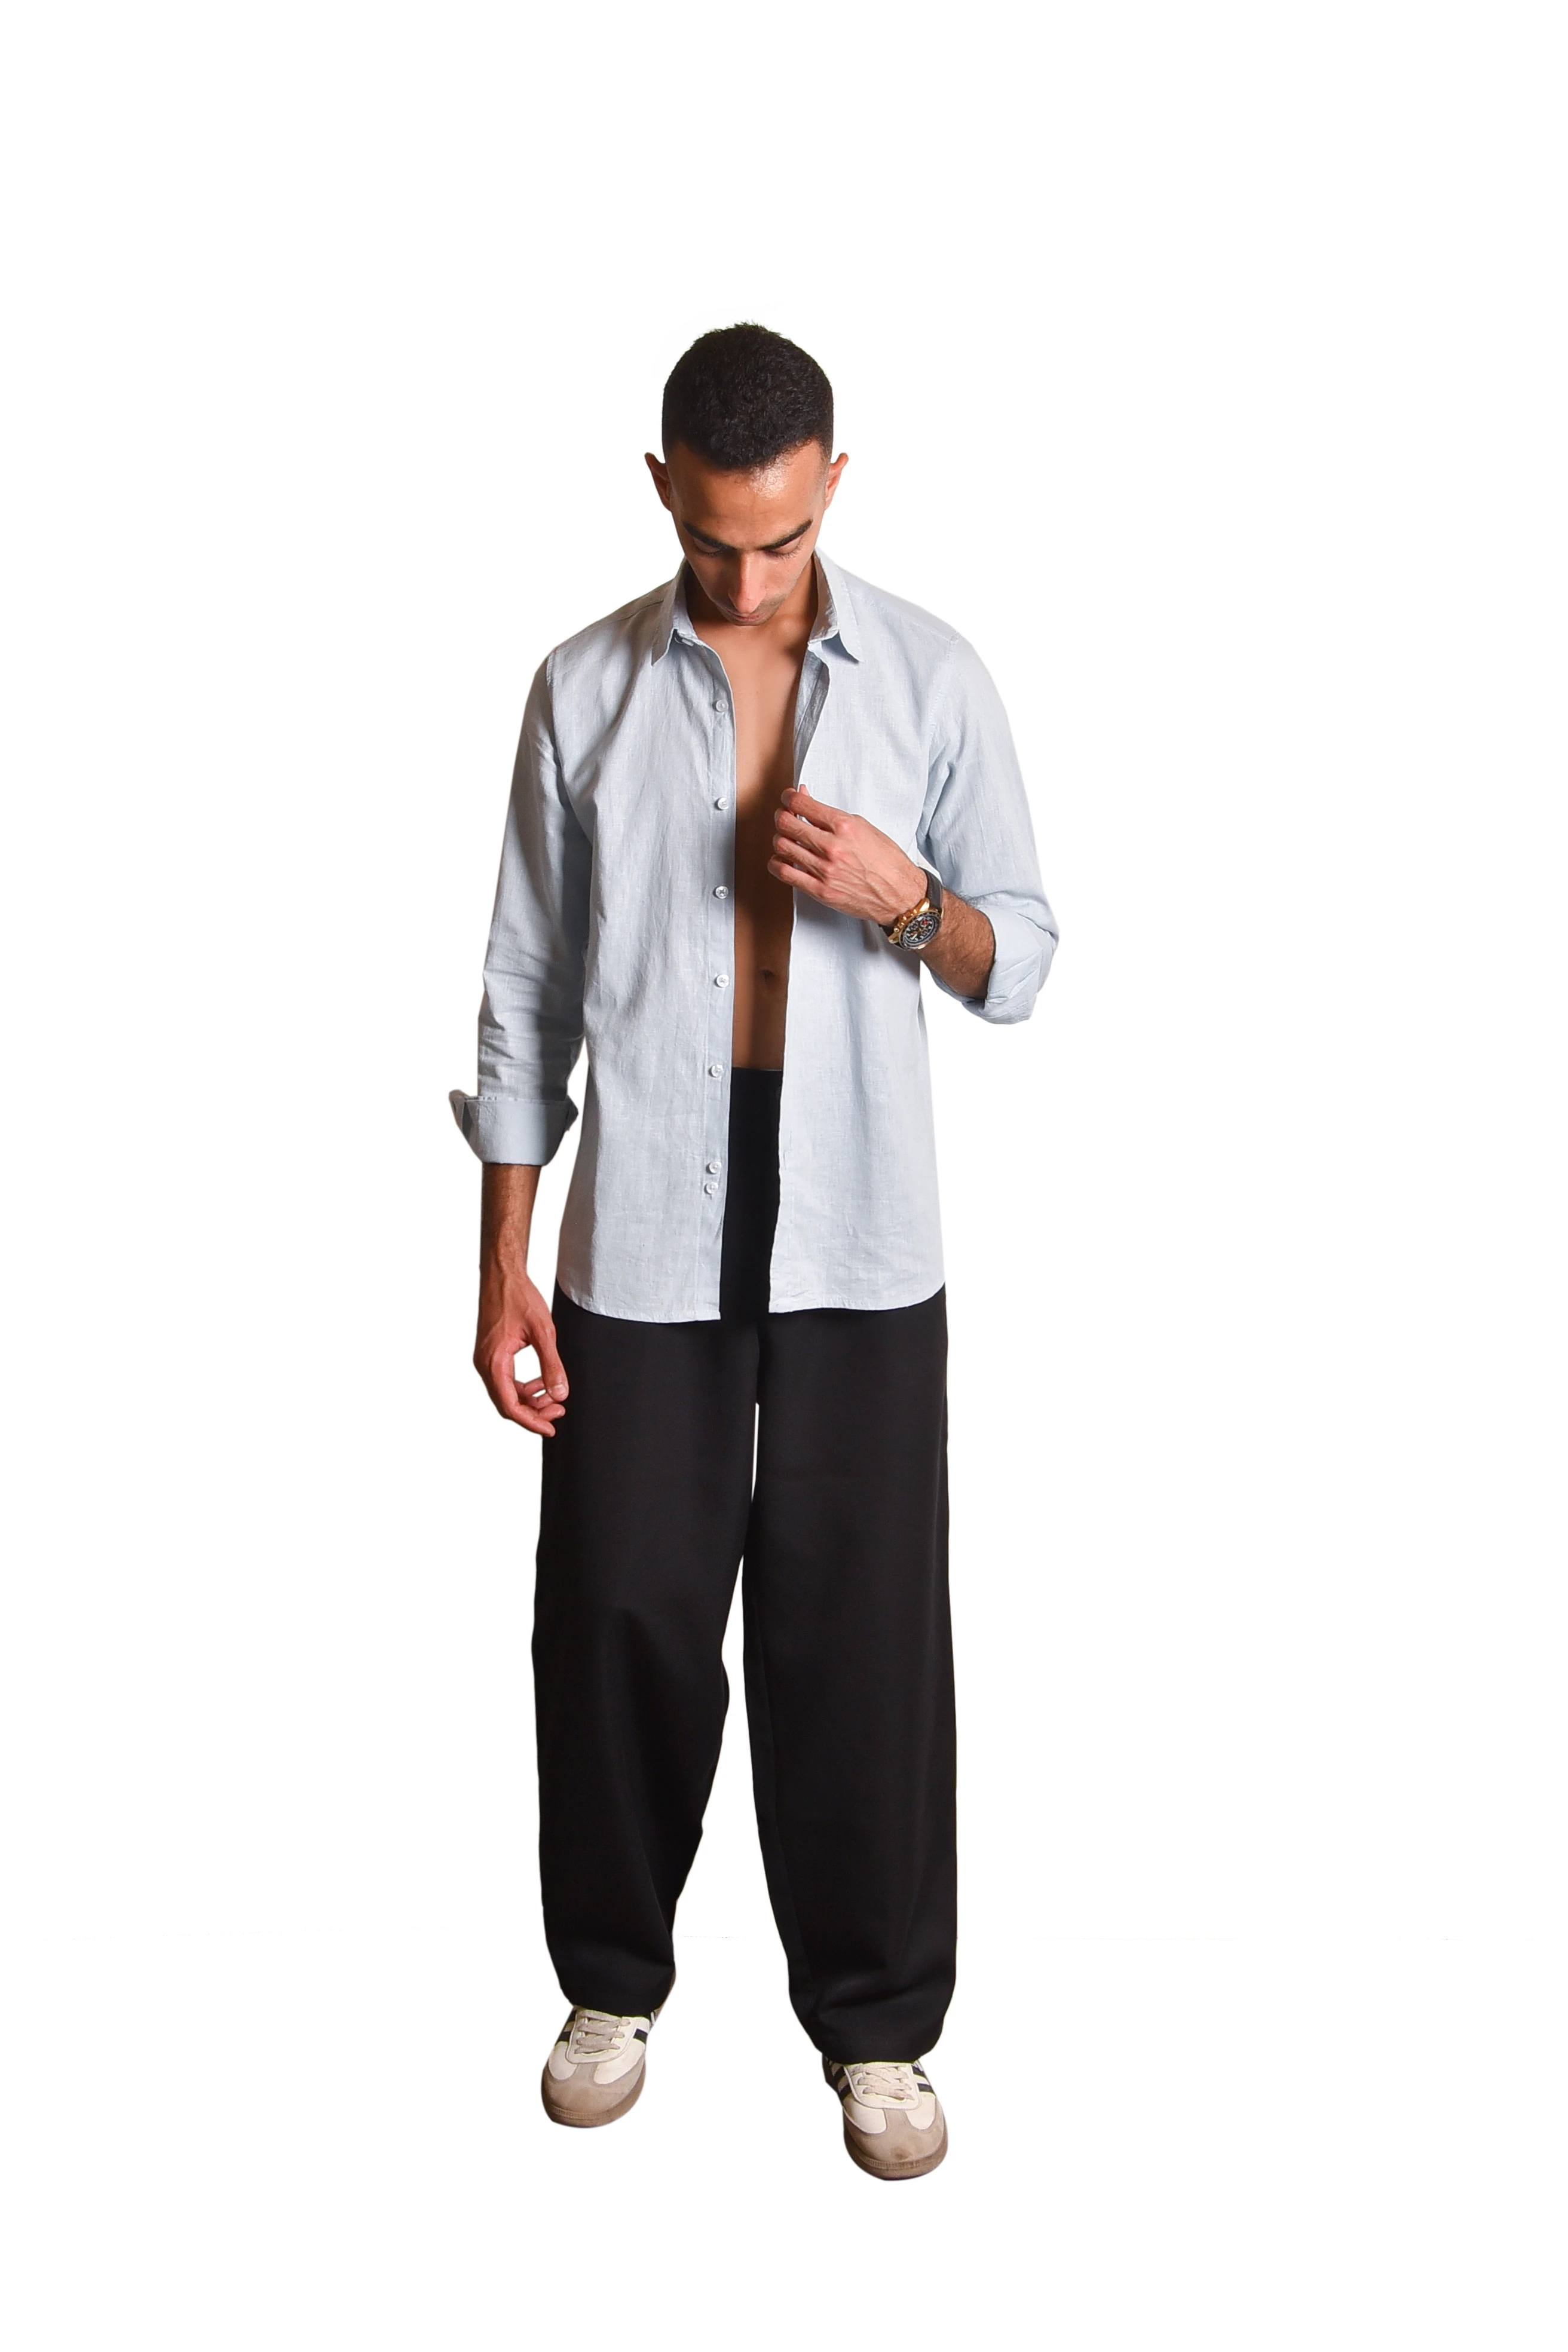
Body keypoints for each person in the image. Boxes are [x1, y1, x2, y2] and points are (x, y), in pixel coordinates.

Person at [451, 323, 1057, 2180]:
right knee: (616, 1613)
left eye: (782, 539)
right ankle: (610, 1984)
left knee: (858, 1629)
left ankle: (878, 2028)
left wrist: (908, 898)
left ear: (834, 486)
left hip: (862, 1227)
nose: (746, 576)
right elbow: (526, 991)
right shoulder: (582, 689)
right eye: (713, 540)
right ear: (663, 490)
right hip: (644, 1225)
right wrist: (503, 1262)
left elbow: (1019, 961)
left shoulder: (933, 678)